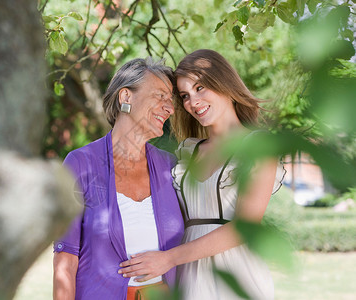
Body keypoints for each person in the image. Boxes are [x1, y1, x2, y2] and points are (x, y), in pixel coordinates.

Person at [118, 49, 285, 300]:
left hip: (236, 276)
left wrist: (168, 259)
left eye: (200, 88)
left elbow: (243, 227)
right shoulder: (187, 152)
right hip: (185, 275)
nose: (192, 102)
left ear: (224, 83)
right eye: (184, 95)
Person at [53, 58, 184, 300]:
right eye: (159, 96)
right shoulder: (80, 164)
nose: (170, 108)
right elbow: (65, 260)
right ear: (126, 97)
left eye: (171, 100)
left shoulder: (171, 166)